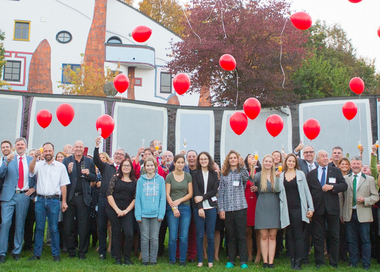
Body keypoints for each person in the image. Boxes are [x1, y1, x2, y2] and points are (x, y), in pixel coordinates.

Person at [28, 142, 70, 261]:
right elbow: (31, 171)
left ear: (53, 151)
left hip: (54, 200)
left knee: (54, 228)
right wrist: (35, 158)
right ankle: (37, 254)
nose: (47, 153)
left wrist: (64, 201)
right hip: (40, 200)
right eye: (45, 151)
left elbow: (63, 185)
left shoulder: (60, 166)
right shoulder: (39, 164)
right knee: (39, 228)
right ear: (43, 152)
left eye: (49, 151)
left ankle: (56, 254)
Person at [307, 150, 347, 268]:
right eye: (322, 156)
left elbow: (344, 185)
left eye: (326, 156)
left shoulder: (336, 171)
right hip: (318, 209)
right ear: (317, 160)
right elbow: (308, 191)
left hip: (332, 209)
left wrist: (332, 187)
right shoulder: (311, 174)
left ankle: (334, 262)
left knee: (334, 235)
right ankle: (319, 261)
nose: (325, 158)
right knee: (318, 236)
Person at [275, 153, 314, 270]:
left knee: (298, 235)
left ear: (295, 163)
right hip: (286, 209)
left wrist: (311, 208)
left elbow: (307, 192)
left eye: (293, 161)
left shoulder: (300, 174)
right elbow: (277, 190)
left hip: (298, 209)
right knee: (289, 235)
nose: (291, 163)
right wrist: (276, 178)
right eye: (289, 161)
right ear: (285, 162)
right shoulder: (281, 175)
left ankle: (299, 260)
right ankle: (292, 259)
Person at [0, 138, 35, 263]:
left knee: (20, 224)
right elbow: (0, 174)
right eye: (18, 144)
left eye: (22, 144)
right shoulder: (8, 159)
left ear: (25, 146)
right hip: (8, 196)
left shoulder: (31, 160)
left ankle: (16, 251)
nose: (20, 146)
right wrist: (6, 163)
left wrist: (33, 188)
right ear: (15, 146)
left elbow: (37, 176)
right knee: (5, 224)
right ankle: (2, 252)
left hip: (23, 195)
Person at [341, 156, 379, 270]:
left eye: (358, 164)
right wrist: (342, 214)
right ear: (350, 165)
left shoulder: (369, 179)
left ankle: (366, 263)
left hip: (364, 213)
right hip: (349, 213)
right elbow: (342, 198)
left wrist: (365, 200)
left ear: (361, 165)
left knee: (365, 239)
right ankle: (353, 261)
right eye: (354, 164)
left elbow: (376, 196)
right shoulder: (345, 179)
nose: (356, 166)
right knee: (351, 240)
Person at [62, 140, 97, 259]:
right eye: (76, 147)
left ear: (83, 149)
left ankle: (82, 251)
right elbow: (61, 178)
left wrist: (88, 174)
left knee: (83, 226)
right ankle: (71, 250)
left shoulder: (89, 161)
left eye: (80, 147)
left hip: (83, 198)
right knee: (68, 226)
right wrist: (68, 171)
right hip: (70, 197)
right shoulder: (66, 161)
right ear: (73, 148)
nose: (78, 149)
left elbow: (95, 178)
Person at [93, 136, 126, 260]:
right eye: (116, 154)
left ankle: (114, 250)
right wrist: (97, 147)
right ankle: (102, 251)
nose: (118, 156)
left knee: (115, 227)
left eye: (121, 154)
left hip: (117, 201)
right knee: (101, 226)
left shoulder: (125, 169)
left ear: (124, 157)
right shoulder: (107, 167)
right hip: (103, 199)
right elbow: (96, 160)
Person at [218, 150, 250, 269]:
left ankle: (243, 261)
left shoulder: (241, 172)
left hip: (240, 208)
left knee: (241, 235)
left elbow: (246, 178)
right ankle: (231, 260)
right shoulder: (224, 174)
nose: (232, 160)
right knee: (230, 236)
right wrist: (221, 209)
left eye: (234, 158)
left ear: (238, 160)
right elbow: (221, 193)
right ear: (228, 160)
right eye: (230, 158)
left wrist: (243, 166)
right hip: (228, 209)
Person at [135, 156, 166, 265]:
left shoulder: (160, 180)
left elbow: (163, 198)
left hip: (156, 214)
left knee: (154, 238)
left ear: (155, 166)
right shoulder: (140, 180)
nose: (150, 167)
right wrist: (138, 215)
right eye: (147, 165)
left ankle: (153, 260)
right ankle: (145, 259)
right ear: (144, 167)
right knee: (144, 238)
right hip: (143, 214)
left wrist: (161, 213)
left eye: (151, 165)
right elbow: (138, 198)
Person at [106, 158, 136, 265]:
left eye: (128, 165)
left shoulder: (134, 181)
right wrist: (117, 210)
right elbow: (109, 195)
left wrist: (126, 210)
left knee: (129, 234)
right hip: (114, 209)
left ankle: (127, 258)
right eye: (124, 165)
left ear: (131, 168)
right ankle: (117, 258)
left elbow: (135, 198)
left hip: (128, 210)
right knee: (116, 233)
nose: (126, 167)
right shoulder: (115, 179)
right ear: (121, 167)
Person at [192, 152, 219, 268]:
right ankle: (200, 261)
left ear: (209, 160)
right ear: (199, 161)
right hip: (199, 208)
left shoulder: (214, 174)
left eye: (205, 159)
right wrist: (200, 208)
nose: (203, 161)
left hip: (211, 207)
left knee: (211, 235)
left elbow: (214, 191)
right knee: (199, 235)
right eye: (201, 159)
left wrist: (203, 197)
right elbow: (196, 191)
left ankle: (210, 261)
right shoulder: (195, 174)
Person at [253, 154, 280, 268]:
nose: (268, 163)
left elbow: (278, 189)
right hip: (262, 204)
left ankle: (271, 261)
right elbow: (251, 180)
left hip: (274, 204)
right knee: (263, 235)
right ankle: (265, 261)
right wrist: (252, 167)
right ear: (263, 163)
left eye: (270, 161)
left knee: (272, 235)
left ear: (273, 163)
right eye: (266, 161)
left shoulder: (277, 175)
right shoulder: (259, 175)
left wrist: (278, 178)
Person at [166, 154, 193, 266]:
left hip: (185, 208)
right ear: (174, 163)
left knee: (184, 236)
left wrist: (179, 201)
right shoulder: (169, 177)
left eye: (183, 162)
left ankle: (182, 259)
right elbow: (167, 194)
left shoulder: (188, 176)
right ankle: (172, 259)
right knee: (172, 236)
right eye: (179, 162)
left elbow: (190, 193)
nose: (181, 164)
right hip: (172, 208)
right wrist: (174, 207)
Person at [244, 154, 261, 263]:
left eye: (253, 157)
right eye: (249, 157)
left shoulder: (260, 173)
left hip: (258, 202)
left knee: (258, 231)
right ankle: (249, 255)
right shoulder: (243, 172)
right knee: (247, 231)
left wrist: (258, 188)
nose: (252, 159)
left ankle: (259, 254)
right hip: (246, 203)